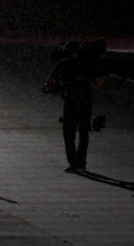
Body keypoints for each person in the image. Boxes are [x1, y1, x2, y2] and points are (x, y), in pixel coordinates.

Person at [44, 41, 104, 173]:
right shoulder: (88, 63)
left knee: (68, 132)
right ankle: (81, 162)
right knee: (84, 132)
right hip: (85, 101)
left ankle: (73, 162)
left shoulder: (63, 64)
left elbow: (49, 82)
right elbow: (100, 82)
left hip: (71, 100)